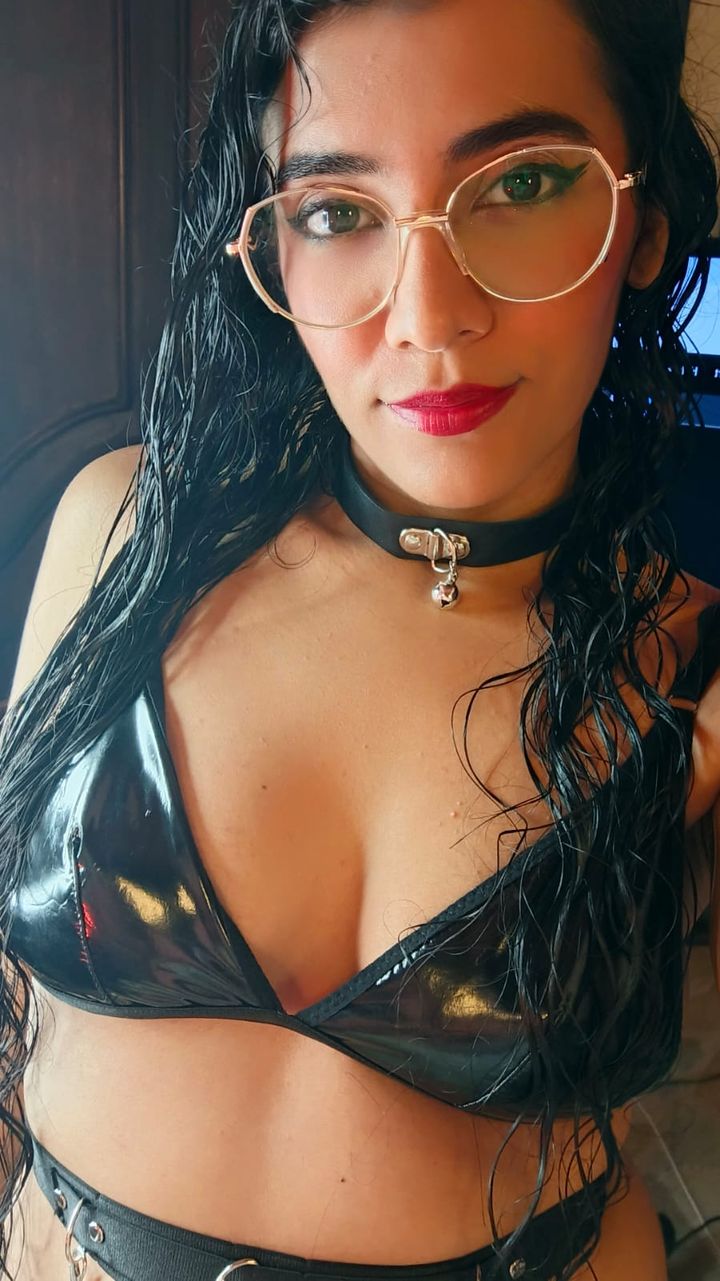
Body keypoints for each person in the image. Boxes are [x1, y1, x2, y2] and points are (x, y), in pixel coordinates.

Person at [0, 0, 719, 1278]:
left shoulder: (689, 670)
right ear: (271, 244)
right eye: (338, 210)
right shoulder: (122, 532)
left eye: (523, 183)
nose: (428, 317)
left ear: (645, 218)